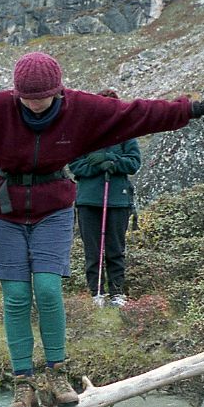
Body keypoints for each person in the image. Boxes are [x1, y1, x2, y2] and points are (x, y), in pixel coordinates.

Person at [0, 52, 204, 407]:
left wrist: (197, 108)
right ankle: (23, 383)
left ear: (58, 91)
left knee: (47, 288)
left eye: (41, 98)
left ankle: (57, 375)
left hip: (53, 207)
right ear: (16, 94)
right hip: (2, 209)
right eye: (26, 99)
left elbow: (141, 114)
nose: (33, 106)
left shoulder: (82, 109)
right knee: (15, 296)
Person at [69, 90, 141, 307]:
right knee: (92, 249)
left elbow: (134, 163)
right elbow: (75, 166)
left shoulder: (127, 133)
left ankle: (117, 293)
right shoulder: (82, 134)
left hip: (117, 200)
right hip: (88, 201)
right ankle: (96, 293)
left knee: (115, 248)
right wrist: (98, 166)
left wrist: (110, 159)